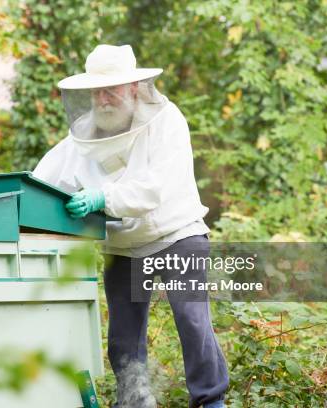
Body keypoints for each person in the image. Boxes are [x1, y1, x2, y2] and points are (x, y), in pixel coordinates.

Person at [33, 44, 229, 408]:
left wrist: (100, 198)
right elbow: (45, 177)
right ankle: (136, 403)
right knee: (123, 337)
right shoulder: (84, 133)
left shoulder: (167, 121)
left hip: (177, 234)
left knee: (192, 321)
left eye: (112, 89)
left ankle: (211, 400)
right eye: (96, 91)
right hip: (123, 247)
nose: (103, 99)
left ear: (134, 88)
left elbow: (154, 189)